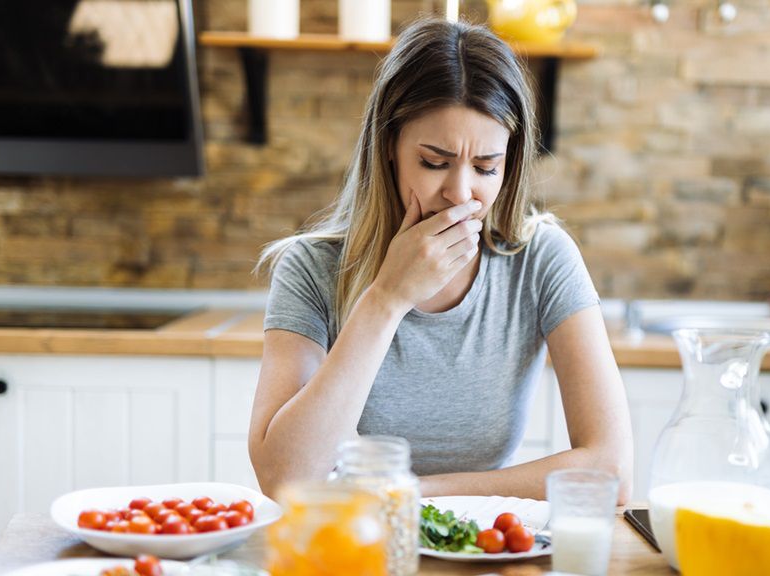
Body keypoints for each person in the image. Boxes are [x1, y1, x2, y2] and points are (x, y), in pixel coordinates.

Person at [248, 17, 633, 503]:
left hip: (482, 539)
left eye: (486, 167)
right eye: (435, 162)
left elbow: (612, 470)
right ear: (389, 147)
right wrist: (387, 298)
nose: (460, 193)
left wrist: (411, 494)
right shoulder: (309, 268)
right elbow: (284, 480)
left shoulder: (541, 260)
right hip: (353, 537)